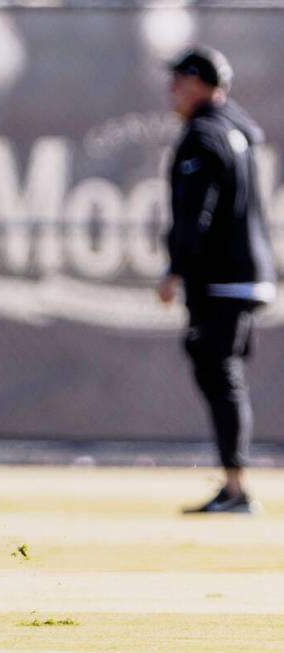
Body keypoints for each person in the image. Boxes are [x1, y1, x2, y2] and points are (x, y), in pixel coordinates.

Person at [159, 46, 276, 514]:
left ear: (200, 83)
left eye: (179, 81)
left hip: (221, 279)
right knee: (220, 371)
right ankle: (234, 485)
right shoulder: (237, 129)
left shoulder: (203, 135)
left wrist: (176, 269)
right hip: (247, 274)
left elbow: (196, 215)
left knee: (220, 374)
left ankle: (237, 488)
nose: (172, 90)